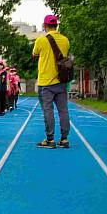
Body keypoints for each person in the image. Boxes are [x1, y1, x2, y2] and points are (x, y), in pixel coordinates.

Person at [33, 14, 71, 149]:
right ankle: (64, 139)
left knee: (48, 111)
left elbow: (35, 55)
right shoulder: (65, 40)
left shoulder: (40, 40)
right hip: (61, 81)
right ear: (57, 25)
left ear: (45, 26)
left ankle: (50, 139)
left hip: (45, 82)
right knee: (63, 111)